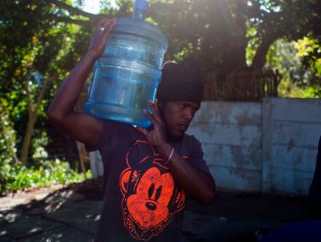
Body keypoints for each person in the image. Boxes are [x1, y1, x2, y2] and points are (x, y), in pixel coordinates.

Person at [48, 17, 215, 242]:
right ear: (160, 103)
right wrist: (93, 54)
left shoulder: (189, 147)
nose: (189, 115)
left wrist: (164, 148)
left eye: (194, 109)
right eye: (183, 106)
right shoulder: (119, 134)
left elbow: (206, 194)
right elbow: (58, 114)